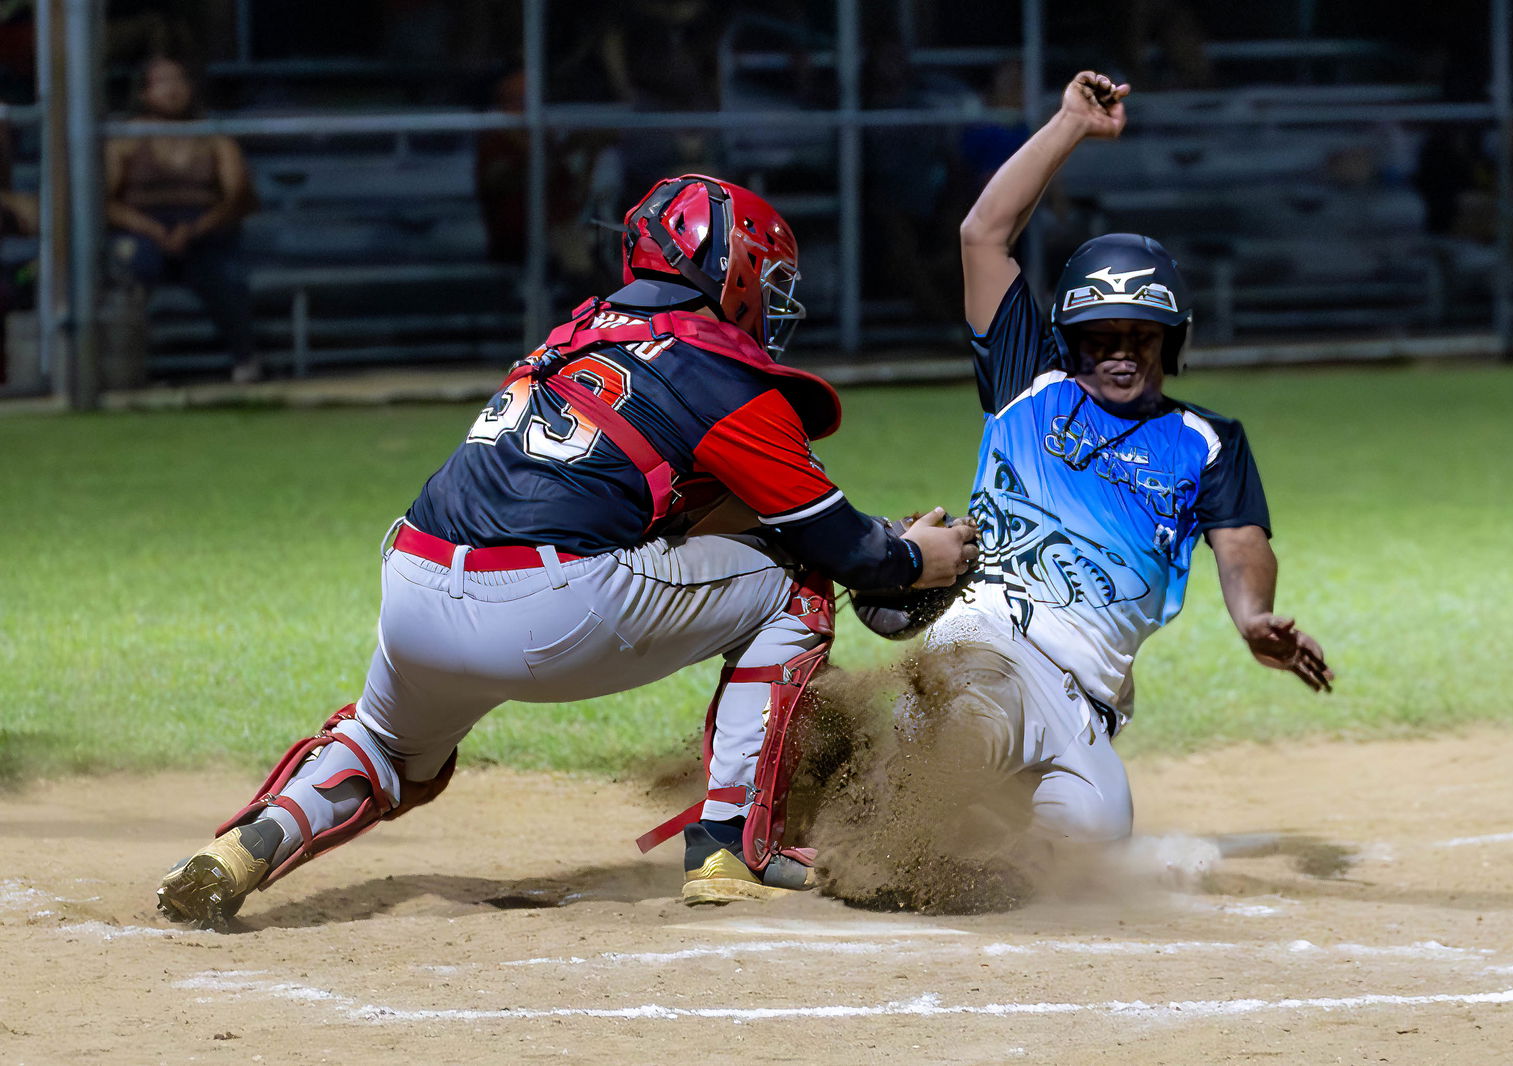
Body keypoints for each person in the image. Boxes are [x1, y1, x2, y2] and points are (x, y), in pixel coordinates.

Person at [155, 174, 978, 925]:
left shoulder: (574, 337)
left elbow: (661, 505)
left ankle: (240, 845)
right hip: (549, 605)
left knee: (384, 744)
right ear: (726, 267)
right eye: (764, 278)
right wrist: (911, 559)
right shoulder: (718, 372)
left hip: (413, 582)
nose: (769, 299)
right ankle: (731, 848)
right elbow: (845, 552)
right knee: (795, 581)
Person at [866, 72, 1332, 859]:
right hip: (992, 640)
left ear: (1168, 342)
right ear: (1070, 339)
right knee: (973, 730)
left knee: (1091, 845)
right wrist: (1069, 126)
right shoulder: (1030, 384)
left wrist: (1253, 618)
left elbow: (1241, 540)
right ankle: (880, 835)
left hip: (1086, 695)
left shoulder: (1208, 441)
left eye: (1138, 337)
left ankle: (942, 827)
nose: (1118, 353)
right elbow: (983, 234)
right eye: (1099, 337)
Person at [105, 55, 259, 383]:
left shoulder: (215, 138)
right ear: (145, 93)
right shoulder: (124, 138)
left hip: (204, 227)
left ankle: (245, 360)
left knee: (225, 272)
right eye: (163, 82)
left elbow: (240, 198)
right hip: (142, 226)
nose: (173, 89)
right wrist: (152, 229)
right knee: (131, 265)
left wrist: (196, 229)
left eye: (179, 80)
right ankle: (123, 367)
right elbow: (104, 201)